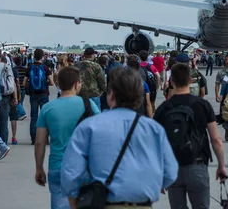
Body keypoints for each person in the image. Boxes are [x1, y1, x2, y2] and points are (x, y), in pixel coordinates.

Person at [61, 66, 178, 207]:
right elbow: (170, 172)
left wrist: (74, 199)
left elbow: (71, 172)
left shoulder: (89, 127)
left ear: (111, 95)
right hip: (142, 203)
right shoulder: (154, 129)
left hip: (106, 203)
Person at [154, 63, 228, 208]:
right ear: (190, 80)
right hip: (197, 165)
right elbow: (216, 139)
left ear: (171, 82)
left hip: (173, 168)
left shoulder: (164, 108)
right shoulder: (202, 105)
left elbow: (155, 144)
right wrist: (221, 165)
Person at [34, 66, 100, 209]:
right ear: (76, 84)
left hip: (58, 166)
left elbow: (40, 142)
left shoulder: (48, 108)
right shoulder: (89, 104)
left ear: (58, 84)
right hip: (85, 166)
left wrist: (39, 168)